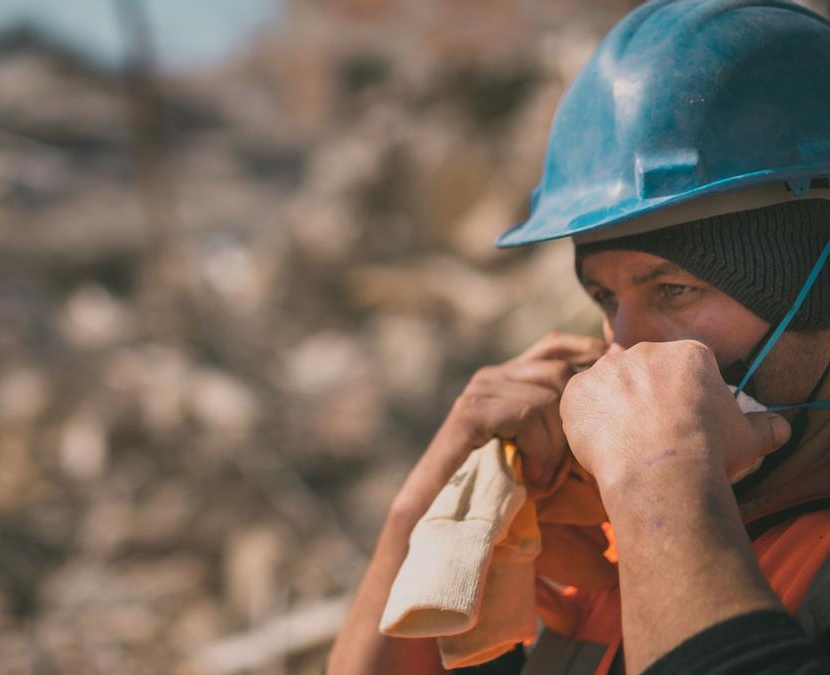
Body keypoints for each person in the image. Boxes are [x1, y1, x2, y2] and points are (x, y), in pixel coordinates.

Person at [329, 1, 830, 673]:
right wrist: (426, 513)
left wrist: (659, 478)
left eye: (673, 289)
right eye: (603, 298)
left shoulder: (659, 503)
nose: (623, 350)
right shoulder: (585, 548)